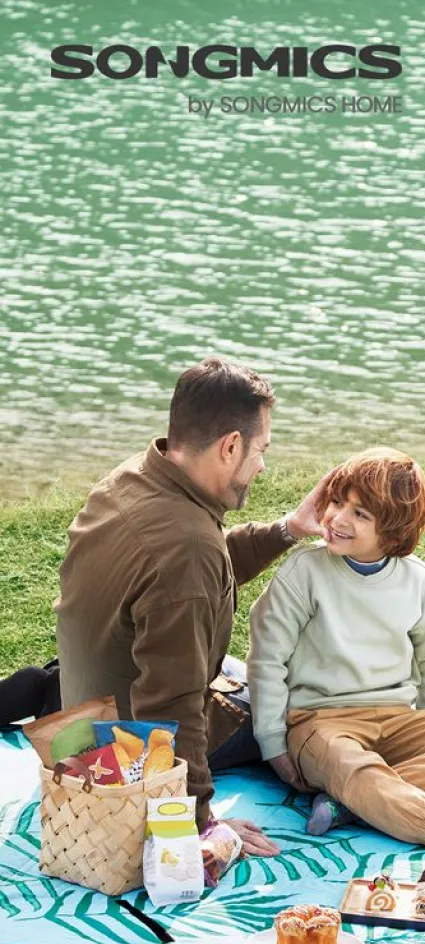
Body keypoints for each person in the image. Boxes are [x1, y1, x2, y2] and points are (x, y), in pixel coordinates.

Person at [52, 356, 336, 858]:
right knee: (307, 707)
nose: (261, 466)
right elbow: (171, 707)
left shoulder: (136, 476)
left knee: (252, 679)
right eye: (260, 450)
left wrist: (287, 530)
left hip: (84, 720)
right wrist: (200, 823)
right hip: (123, 756)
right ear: (230, 446)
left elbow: (197, 571)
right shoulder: (186, 549)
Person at [247, 448, 425, 877]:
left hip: (395, 719)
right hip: (319, 722)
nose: (338, 518)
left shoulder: (421, 583)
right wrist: (273, 742)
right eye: (336, 502)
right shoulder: (305, 571)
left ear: (393, 530)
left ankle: (348, 804)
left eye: (360, 513)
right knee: (350, 764)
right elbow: (267, 658)